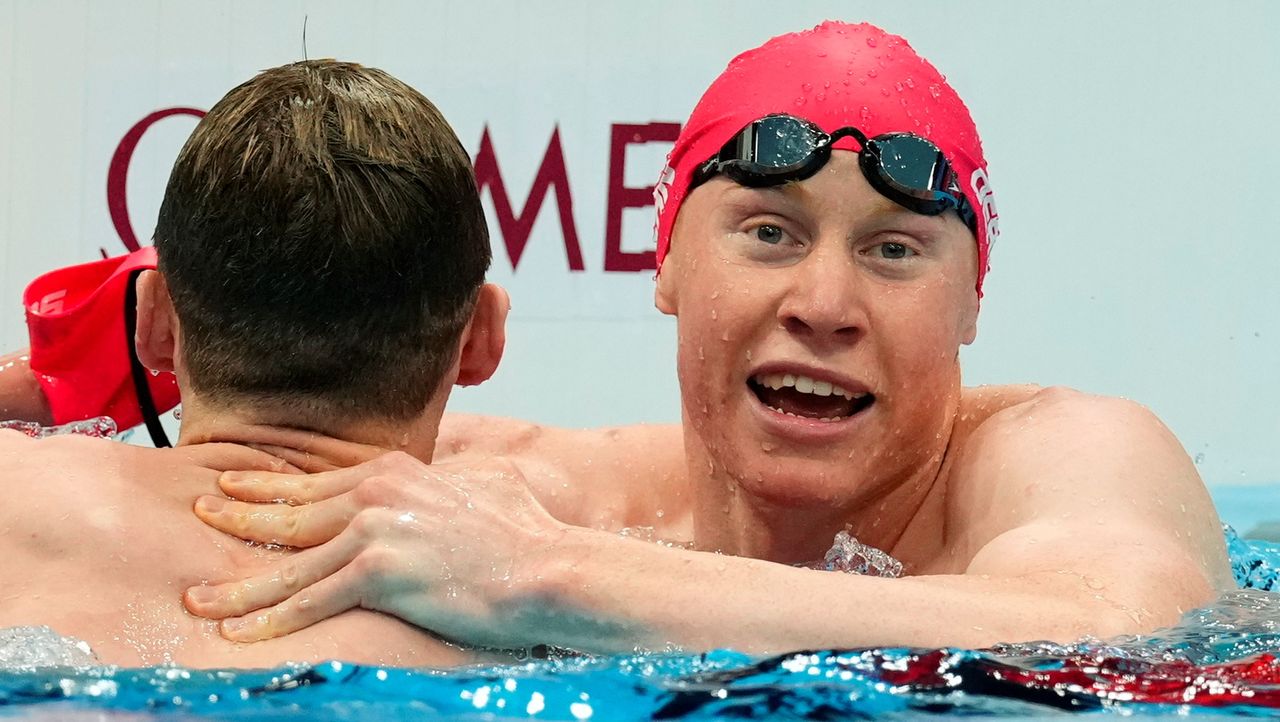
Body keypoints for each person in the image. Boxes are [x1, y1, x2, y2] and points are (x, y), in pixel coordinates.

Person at [5, 22, 1233, 655]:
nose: (825, 299)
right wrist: (78, 376)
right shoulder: (574, 489)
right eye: (766, 231)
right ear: (663, 266)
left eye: (895, 248)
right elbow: (300, 427)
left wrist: (555, 581)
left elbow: (1125, 627)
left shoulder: (1061, 451)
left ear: (973, 298)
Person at [0, 59, 515, 667]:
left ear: (154, 323)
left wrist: (47, 386)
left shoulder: (18, 494)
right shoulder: (536, 582)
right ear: (482, 337)